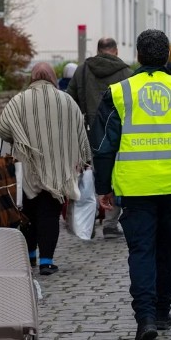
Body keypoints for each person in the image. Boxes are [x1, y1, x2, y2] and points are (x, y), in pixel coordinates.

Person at [92, 30, 171, 340]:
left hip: (135, 187)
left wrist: (103, 187)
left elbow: (104, 146)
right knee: (167, 249)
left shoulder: (120, 92)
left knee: (142, 251)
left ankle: (145, 316)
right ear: (165, 56)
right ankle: (163, 311)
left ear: (137, 55)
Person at [0, 63, 91, 276]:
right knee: (49, 214)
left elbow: (3, 128)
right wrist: (84, 159)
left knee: (27, 213)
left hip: (26, 168)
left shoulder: (19, 100)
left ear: (32, 78)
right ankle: (47, 261)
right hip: (58, 170)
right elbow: (80, 132)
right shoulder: (67, 100)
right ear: (52, 78)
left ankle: (30, 255)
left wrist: (18, 137)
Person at [66, 37, 132, 238]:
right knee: (115, 177)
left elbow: (70, 101)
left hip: (87, 133)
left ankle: (88, 221)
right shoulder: (126, 73)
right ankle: (111, 223)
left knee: (88, 178)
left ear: (97, 50)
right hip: (117, 133)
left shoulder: (83, 70)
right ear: (116, 51)